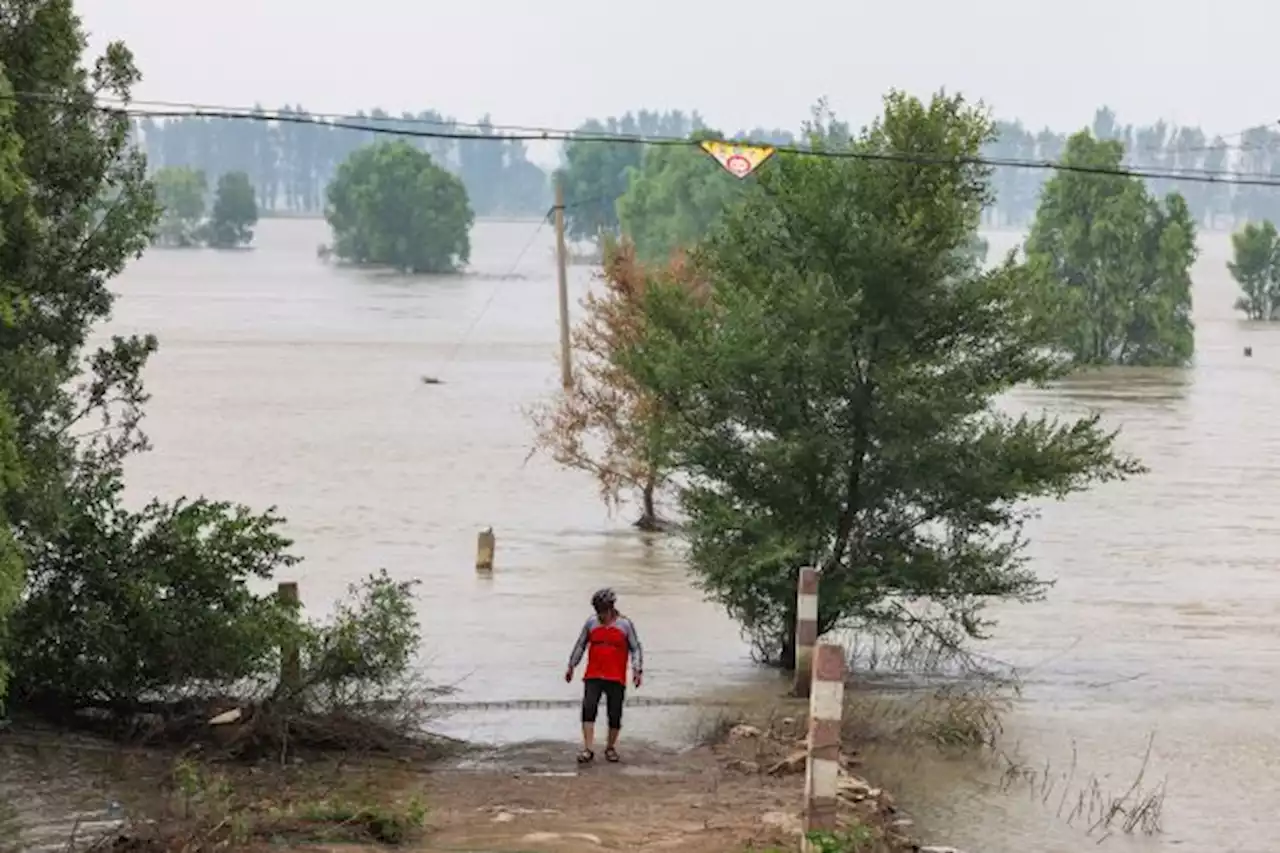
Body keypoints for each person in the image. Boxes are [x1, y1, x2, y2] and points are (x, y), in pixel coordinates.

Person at [564, 587, 643, 764]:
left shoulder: (625, 625)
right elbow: (580, 645)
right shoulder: (591, 623)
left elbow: (635, 648)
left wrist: (637, 670)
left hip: (616, 677)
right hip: (593, 675)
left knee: (614, 713)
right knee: (588, 708)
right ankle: (588, 749)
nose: (601, 615)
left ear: (611, 609)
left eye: (603, 611)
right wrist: (571, 665)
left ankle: (610, 747)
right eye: (598, 611)